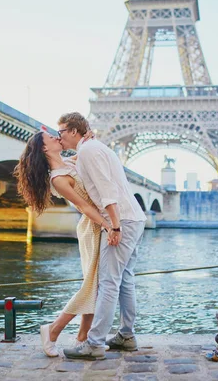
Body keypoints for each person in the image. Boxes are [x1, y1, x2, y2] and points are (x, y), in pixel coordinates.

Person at [14, 130, 113, 357]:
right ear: (44, 148)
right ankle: (53, 330)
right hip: (92, 226)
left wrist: (89, 138)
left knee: (95, 285)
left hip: (98, 224)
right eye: (51, 138)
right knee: (91, 285)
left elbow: (87, 152)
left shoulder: (68, 162)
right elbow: (84, 207)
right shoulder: (58, 177)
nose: (57, 138)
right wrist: (107, 225)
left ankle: (83, 337)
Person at [57, 112, 147, 361]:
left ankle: (94, 344)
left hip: (122, 220)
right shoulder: (94, 148)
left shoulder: (89, 151)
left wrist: (114, 226)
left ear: (74, 131)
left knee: (108, 282)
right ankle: (126, 335)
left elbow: (106, 190)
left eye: (61, 132)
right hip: (135, 218)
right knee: (125, 279)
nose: (59, 137)